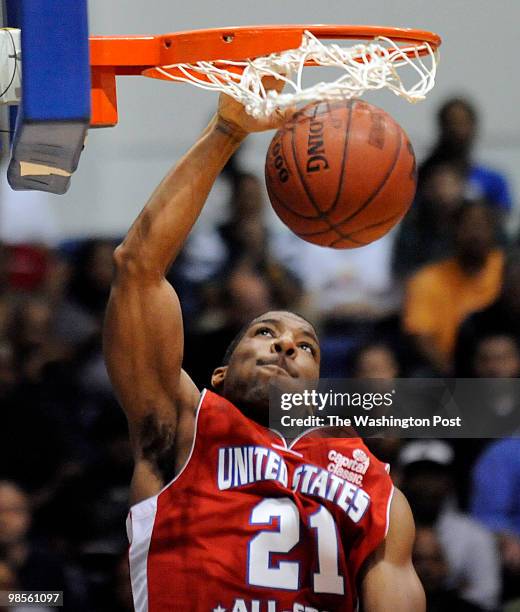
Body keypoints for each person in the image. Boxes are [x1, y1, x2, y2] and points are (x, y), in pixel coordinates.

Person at [103, 83, 425, 611]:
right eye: (265, 333)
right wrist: (226, 132)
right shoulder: (184, 425)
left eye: (308, 347)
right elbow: (137, 269)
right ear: (220, 376)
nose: (287, 347)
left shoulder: (374, 485)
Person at [402, 200, 504, 374]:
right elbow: (420, 334)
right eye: (468, 226)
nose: (475, 234)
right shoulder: (427, 278)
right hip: (448, 369)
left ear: (493, 230)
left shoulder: (509, 272)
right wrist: (456, 374)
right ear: (453, 230)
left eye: (481, 226)